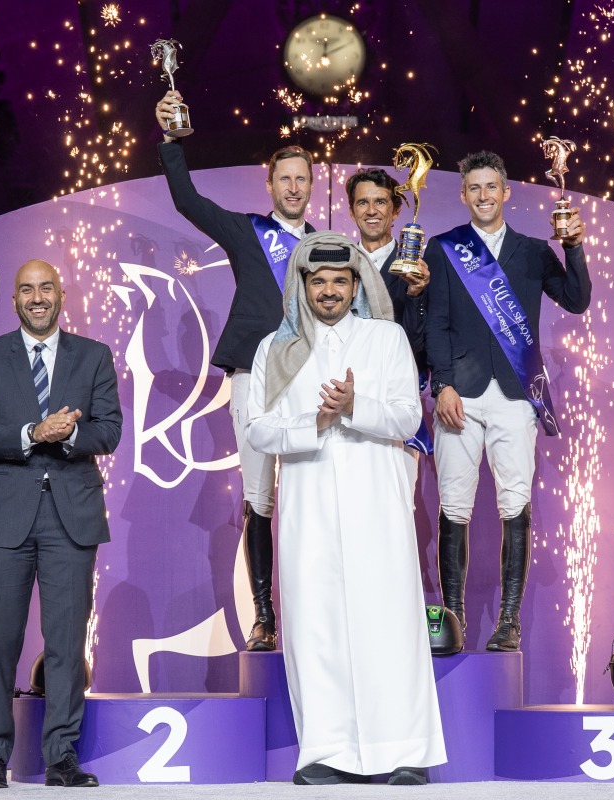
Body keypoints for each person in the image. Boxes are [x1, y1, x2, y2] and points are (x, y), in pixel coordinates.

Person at [246, 232, 447, 786]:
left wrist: (355, 407)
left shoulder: (386, 339)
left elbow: (409, 418)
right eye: (318, 281)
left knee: (389, 621)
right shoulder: (275, 349)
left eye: (340, 281)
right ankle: (327, 752)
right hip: (308, 504)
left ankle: (403, 752)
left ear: (357, 285)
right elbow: (258, 429)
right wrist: (315, 422)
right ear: (303, 287)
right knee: (316, 625)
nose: (329, 291)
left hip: (377, 501)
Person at [157, 89, 317, 652]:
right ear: (269, 185)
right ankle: (265, 617)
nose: (293, 187)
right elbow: (187, 202)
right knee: (260, 497)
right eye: (285, 179)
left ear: (311, 186)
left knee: (311, 497)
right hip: (254, 377)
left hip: (312, 384)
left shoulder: (328, 247)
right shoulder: (247, 231)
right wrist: (173, 143)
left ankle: (308, 613)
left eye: (302, 179)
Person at [0, 258, 123, 788]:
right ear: (14, 299)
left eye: (46, 288)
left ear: (62, 294)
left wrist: (68, 435)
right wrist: (34, 431)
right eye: (26, 289)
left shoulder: (94, 356)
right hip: (4, 517)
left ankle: (60, 757)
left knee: (66, 642)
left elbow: (109, 431)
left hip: (71, 518)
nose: (37, 297)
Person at [424, 150, 590, 652]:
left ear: (506, 192)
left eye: (491, 187)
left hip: (515, 398)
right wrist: (443, 383)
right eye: (473, 188)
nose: (483, 196)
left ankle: (508, 622)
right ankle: (452, 622)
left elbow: (577, 300)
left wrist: (575, 247)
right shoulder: (443, 248)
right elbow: (436, 322)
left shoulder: (534, 251)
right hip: (461, 397)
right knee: (454, 506)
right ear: (463, 194)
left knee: (513, 504)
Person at [345, 167, 433, 481]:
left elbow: (420, 343)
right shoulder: (337, 264)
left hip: (395, 400)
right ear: (352, 210)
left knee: (396, 509)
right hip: (345, 400)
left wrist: (414, 293)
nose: (371, 211)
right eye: (363, 203)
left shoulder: (418, 268)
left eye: (380, 202)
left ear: (396, 211)